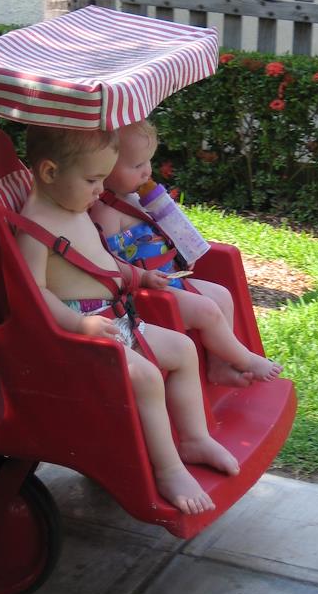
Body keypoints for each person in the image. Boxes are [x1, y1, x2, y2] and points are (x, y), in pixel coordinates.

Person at [16, 125, 240, 515]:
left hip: (117, 319)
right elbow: (34, 293)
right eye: (92, 180)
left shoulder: (74, 208)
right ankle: (169, 470)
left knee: (182, 349)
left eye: (103, 178)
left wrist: (139, 276)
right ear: (50, 172)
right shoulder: (35, 228)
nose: (100, 189)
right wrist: (79, 326)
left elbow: (101, 263)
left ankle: (194, 438)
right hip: (81, 336)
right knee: (146, 377)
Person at [90, 120, 282, 387]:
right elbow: (106, 261)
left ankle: (218, 365)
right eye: (136, 165)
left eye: (148, 162)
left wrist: (180, 247)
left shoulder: (135, 197)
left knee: (222, 296)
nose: (147, 172)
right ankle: (243, 358)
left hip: (170, 278)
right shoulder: (105, 211)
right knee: (207, 310)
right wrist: (142, 277)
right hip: (145, 292)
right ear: (104, 165)